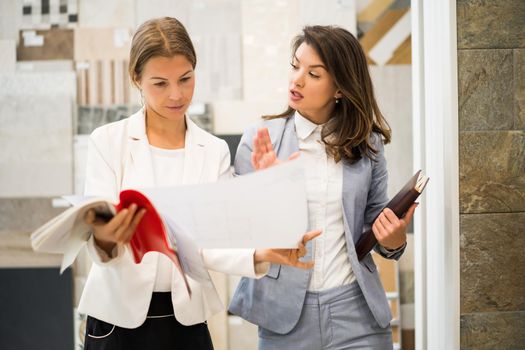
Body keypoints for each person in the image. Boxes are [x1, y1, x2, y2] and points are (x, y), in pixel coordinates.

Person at [78, 17, 319, 350]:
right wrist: (106, 236)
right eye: (160, 83)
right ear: (137, 79)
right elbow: (97, 233)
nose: (177, 95)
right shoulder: (107, 141)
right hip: (115, 320)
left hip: (185, 321)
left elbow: (214, 240)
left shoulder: (214, 150)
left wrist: (261, 252)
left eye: (186, 79)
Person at [229, 25, 417, 350]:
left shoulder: (367, 145)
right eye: (295, 65)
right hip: (284, 316)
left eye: (313, 74)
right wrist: (271, 186)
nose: (297, 79)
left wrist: (394, 240)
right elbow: (243, 234)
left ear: (340, 88)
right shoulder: (261, 140)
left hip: (356, 312)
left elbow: (376, 225)